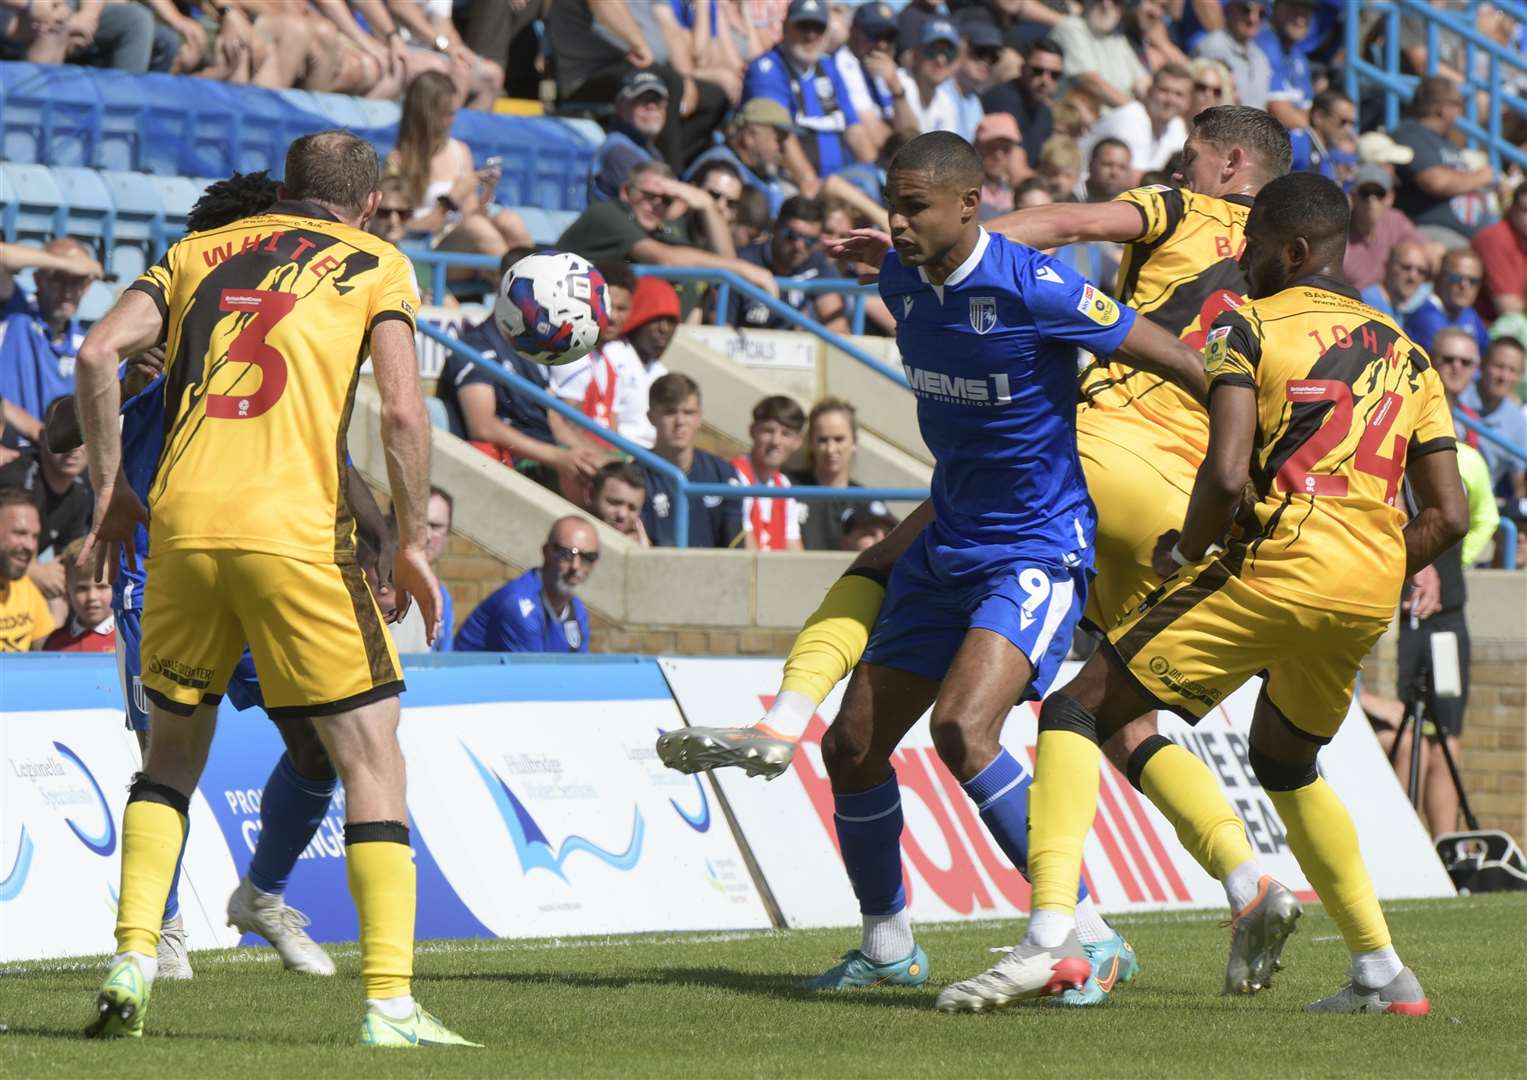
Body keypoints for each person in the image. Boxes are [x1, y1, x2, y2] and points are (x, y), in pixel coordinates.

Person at [659, 107, 1297, 1002]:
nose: (895, 222)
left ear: (971, 206)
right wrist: (881, 256)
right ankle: (886, 945)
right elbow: (897, 264)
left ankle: (1082, 931)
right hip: (951, 533)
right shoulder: (899, 274)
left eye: (914, 207)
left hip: (1035, 545)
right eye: (890, 206)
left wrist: (1255, 455)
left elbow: (1181, 364)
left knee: (965, 729)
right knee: (853, 747)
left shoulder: (1035, 286)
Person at [997, 171, 1466, 1016]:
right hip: (1366, 584)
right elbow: (1450, 512)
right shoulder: (1409, 350)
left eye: (1251, 248)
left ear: (1294, 250)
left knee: (1076, 708)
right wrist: (1375, 565)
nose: (1239, 263)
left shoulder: (1243, 326)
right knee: (1286, 762)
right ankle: (1381, 973)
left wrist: (1187, 548)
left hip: (1278, 559)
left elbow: (1221, 470)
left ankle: (1050, 932)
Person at [73, 130, 474, 1046]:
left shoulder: (194, 253)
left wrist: (110, 494)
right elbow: (405, 409)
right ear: (367, 204)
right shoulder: (376, 262)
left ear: (284, 189)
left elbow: (98, 354)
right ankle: (391, 1006)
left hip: (179, 535)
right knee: (373, 757)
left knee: (169, 759)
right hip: (294, 538)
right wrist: (411, 540)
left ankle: (135, 955)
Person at [442, 253, 611, 495]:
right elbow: (483, 426)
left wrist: (601, 459)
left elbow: (556, 423)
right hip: (517, 466)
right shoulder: (474, 348)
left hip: (548, 459)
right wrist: (558, 457)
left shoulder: (535, 351)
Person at [385, 71, 529, 285]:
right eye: (445, 113)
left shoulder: (460, 151)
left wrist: (486, 193)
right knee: (476, 228)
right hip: (423, 254)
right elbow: (402, 230)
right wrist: (449, 200)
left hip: (465, 242)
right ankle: (523, 294)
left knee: (510, 221)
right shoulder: (398, 162)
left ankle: (534, 283)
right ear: (425, 114)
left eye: (454, 112)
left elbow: (473, 215)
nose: (452, 120)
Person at [557, 161, 776, 297]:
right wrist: (746, 270)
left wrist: (708, 207)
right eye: (650, 195)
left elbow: (727, 271)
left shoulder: (657, 230)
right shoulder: (607, 214)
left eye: (666, 200)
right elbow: (666, 258)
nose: (657, 204)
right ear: (626, 191)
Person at [743, 0, 875, 191]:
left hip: (840, 181)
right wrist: (810, 183)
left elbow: (855, 132)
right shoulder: (767, 69)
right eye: (803, 25)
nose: (811, 35)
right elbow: (781, 137)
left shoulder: (829, 68)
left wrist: (880, 178)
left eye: (818, 27)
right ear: (785, 26)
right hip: (792, 183)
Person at [553, 274, 679, 451]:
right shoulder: (612, 354)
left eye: (671, 321)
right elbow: (569, 425)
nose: (664, 329)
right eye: (655, 319)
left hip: (632, 456)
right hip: (608, 454)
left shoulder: (660, 372)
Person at [0, 238, 103, 443]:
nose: (66, 291)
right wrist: (69, 264)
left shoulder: (89, 345)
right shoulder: (14, 310)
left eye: (77, 280)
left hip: (58, 464)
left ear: (88, 286)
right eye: (57, 278)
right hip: (9, 457)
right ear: (38, 279)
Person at [455, 517, 596, 654]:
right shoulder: (519, 605)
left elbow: (577, 673)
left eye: (587, 558)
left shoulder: (577, 610)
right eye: (567, 554)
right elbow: (532, 676)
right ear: (546, 552)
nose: (575, 566)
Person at [639, 373, 743, 548]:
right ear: (651, 417)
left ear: (699, 418)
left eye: (688, 412)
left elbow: (736, 547)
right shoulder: (635, 475)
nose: (680, 421)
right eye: (670, 412)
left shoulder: (722, 473)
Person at [1393, 77, 1497, 249]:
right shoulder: (1410, 135)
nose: (1460, 112)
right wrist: (1481, 177)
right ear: (1442, 109)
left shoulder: (1445, 142)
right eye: (1458, 105)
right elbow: (1436, 182)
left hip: (1471, 238)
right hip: (1436, 234)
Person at [0, 436, 93, 623]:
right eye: (20, 533)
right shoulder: (17, 476)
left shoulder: (80, 494)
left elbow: (68, 557)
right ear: (43, 439)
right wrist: (34, 571)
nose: (72, 449)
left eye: (35, 536)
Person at [730, 196, 850, 331]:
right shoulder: (743, 262)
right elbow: (721, 330)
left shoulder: (817, 262)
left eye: (809, 240)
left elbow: (838, 329)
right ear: (775, 228)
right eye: (791, 235)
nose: (799, 246)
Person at [1080, 63, 1192, 185]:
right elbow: (1134, 182)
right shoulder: (1131, 117)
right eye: (1164, 91)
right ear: (1149, 91)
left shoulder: (1176, 126)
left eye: (1179, 94)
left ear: (1188, 102)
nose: (1170, 100)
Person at [833, 1, 919, 159]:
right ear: (853, 31)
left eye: (889, 36)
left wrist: (896, 89)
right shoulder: (844, 63)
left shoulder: (893, 74)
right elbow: (878, 140)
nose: (882, 44)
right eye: (874, 33)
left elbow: (917, 140)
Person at [684, 98, 797, 217]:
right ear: (750, 136)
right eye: (778, 140)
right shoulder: (719, 166)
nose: (783, 149)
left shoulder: (765, 173)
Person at [791, 397, 878, 551]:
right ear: (810, 442)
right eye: (823, 440)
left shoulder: (866, 501)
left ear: (854, 442)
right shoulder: (787, 489)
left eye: (839, 439)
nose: (831, 449)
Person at [732, 395, 806, 552]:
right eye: (768, 431)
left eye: (785, 434)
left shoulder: (784, 485)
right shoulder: (735, 475)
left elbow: (794, 549)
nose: (776, 441)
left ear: (798, 442)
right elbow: (745, 546)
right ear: (752, 431)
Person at [981, 37, 1063, 171]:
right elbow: (1013, 170)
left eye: (1054, 75)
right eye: (1038, 71)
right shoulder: (1002, 100)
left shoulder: (1046, 114)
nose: (1045, 80)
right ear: (1022, 69)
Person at [1460, 337, 1527, 499]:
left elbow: (1519, 489)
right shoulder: (1456, 396)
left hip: (1478, 503)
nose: (1504, 376)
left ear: (1520, 376)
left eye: (1512, 370)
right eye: (1498, 366)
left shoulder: (1519, 424)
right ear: (1482, 364)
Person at [589, 70, 670, 204]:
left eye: (657, 100)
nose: (651, 106)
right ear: (620, 106)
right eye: (642, 100)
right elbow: (657, 200)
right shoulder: (618, 152)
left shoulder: (651, 151)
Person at [1052, 0, 1149, 109]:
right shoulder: (1070, 27)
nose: (1106, 5)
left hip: (1121, 119)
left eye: (1115, 1)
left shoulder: (1118, 38)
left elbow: (1143, 85)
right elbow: (1090, 82)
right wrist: (1137, 112)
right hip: (1080, 121)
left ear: (1122, 8)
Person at [1343, 165, 1424, 292]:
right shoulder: (1339, 233)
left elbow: (1423, 255)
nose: (1372, 200)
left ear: (1390, 198)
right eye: (1365, 193)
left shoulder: (1396, 222)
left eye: (1379, 193)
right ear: (1352, 197)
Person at [1405, 248, 1490, 357]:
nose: (1464, 286)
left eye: (1473, 281)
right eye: (1456, 278)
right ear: (1439, 279)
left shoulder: (1470, 314)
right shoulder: (1426, 318)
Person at [895, 18, 967, 138]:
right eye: (932, 50)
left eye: (949, 52)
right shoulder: (897, 82)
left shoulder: (946, 101)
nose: (941, 60)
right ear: (915, 54)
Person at [1193, 0, 1271, 110]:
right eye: (1246, 10)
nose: (1253, 19)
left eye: (1261, 13)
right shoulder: (1212, 47)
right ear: (1229, 10)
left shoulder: (1261, 58)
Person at [41, 539, 115, 653]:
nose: (92, 597)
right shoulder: (56, 644)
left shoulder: (130, 640)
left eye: (102, 587)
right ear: (67, 592)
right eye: (82, 588)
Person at [0, 488, 52, 651]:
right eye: (20, 533)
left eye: (35, 536)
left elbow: (46, 653)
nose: (31, 546)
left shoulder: (25, 588)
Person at [1471, 181, 1527, 322]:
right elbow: (1508, 310)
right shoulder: (1495, 238)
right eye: (1526, 211)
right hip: (1489, 331)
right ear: (1511, 209)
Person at [1255, 0, 1314, 130]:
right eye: (1293, 8)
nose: (1300, 19)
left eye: (1306, 11)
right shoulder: (1262, 44)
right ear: (1275, 6)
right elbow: (1279, 110)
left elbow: (1306, 111)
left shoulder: (1299, 56)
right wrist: (1305, 124)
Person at [1290, 89, 1356, 182]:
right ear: (1319, 117)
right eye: (1343, 122)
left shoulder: (1329, 156)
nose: (1349, 130)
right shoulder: (1296, 143)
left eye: (1352, 124)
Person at [1360, 240, 1432, 322]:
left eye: (1421, 271)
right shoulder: (1369, 304)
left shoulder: (1403, 309)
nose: (1413, 277)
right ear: (1387, 267)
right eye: (1406, 267)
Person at [973, 112, 1026, 219]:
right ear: (976, 147)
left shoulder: (1012, 190)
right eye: (991, 147)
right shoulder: (965, 187)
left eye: (1006, 149)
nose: (998, 156)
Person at [589, 461, 649, 546]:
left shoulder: (641, 546)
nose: (622, 514)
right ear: (591, 494)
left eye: (632, 508)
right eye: (615, 503)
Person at [425, 487, 455, 652]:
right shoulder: (376, 586)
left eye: (435, 526)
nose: (428, 535)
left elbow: (441, 664)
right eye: (419, 524)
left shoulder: (442, 596)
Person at [1082, 137, 1133, 203]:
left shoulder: (1137, 205)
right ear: (1091, 165)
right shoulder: (1071, 200)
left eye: (1122, 167)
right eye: (1108, 165)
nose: (1115, 173)